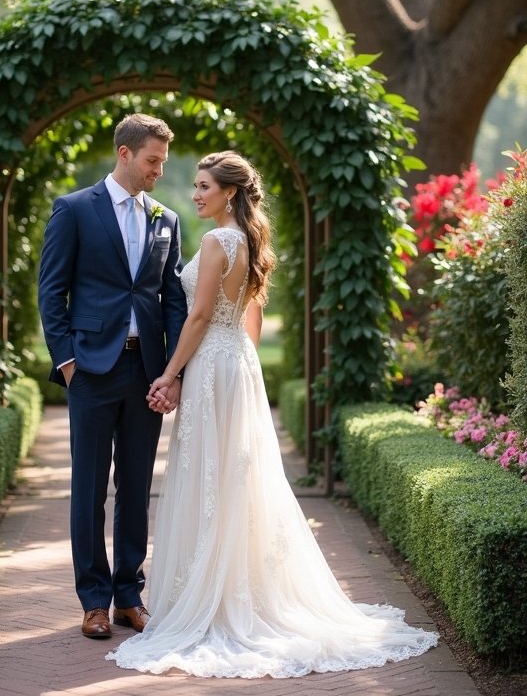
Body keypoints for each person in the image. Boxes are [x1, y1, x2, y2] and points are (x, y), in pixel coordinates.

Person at [106, 150, 439, 677]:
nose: (195, 195)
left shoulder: (218, 241)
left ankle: (215, 597)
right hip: (237, 361)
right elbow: (252, 314)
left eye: (203, 186)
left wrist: (169, 374)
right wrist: (243, 368)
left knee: (212, 476)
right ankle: (236, 585)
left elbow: (195, 317)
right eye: (194, 186)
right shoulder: (253, 238)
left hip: (215, 361)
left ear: (230, 192)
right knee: (235, 478)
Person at [37, 113, 187, 641]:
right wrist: (68, 361)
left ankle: (129, 595)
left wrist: (173, 373)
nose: (158, 172)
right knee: (89, 488)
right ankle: (93, 601)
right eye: (152, 161)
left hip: (146, 370)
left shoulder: (166, 218)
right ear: (124, 154)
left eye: (163, 163)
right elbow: (51, 292)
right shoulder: (74, 209)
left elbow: (172, 302)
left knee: (137, 486)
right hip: (92, 370)